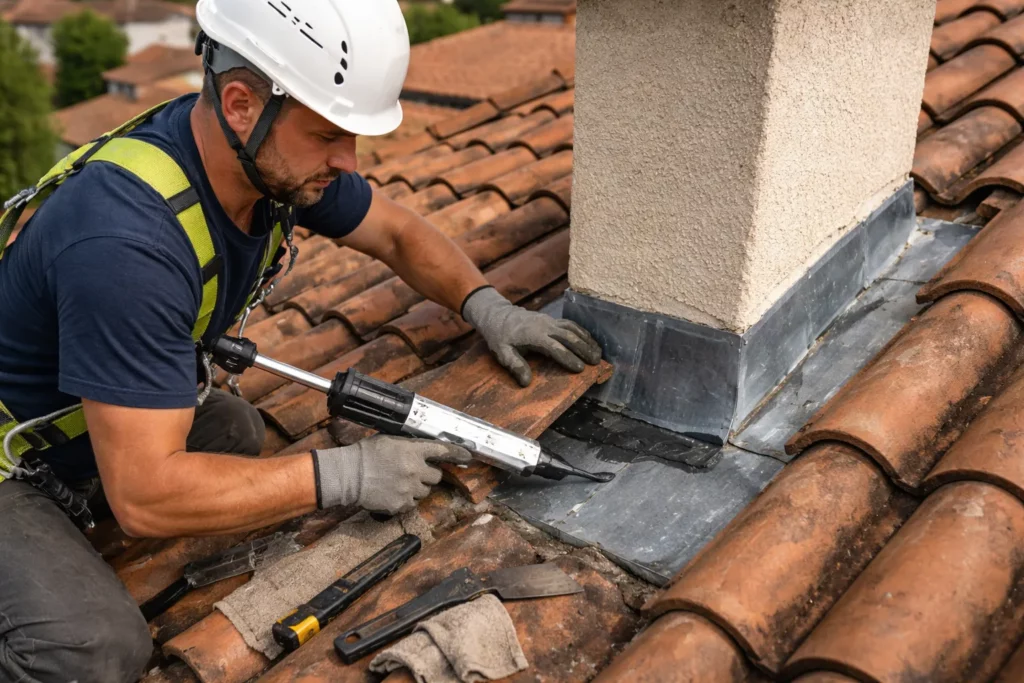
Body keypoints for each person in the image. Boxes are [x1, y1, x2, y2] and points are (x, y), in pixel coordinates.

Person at [0, 1, 602, 680]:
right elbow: (143, 496)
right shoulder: (126, 245)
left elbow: (398, 233)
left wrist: (487, 306)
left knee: (234, 429)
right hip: (9, 458)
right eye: (328, 136)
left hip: (67, 427)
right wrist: (346, 475)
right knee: (94, 650)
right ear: (240, 104)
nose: (347, 161)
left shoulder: (259, 159)